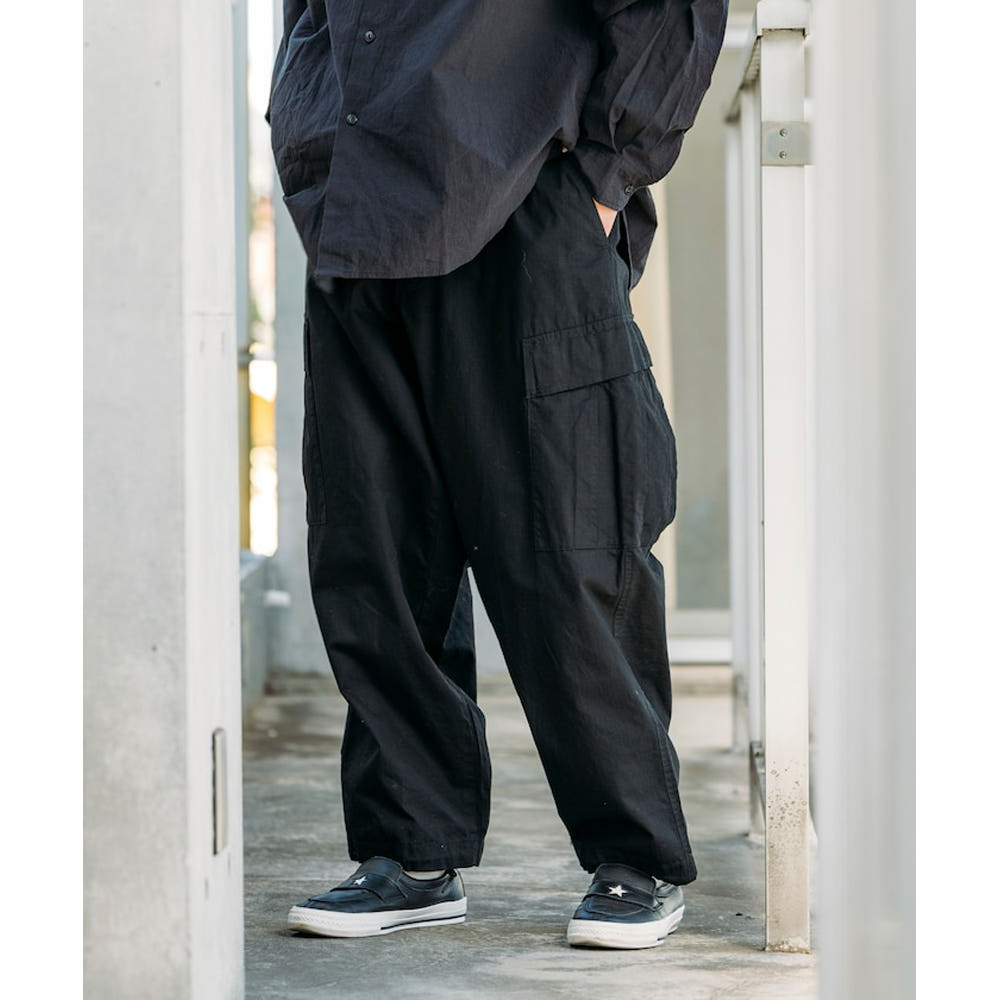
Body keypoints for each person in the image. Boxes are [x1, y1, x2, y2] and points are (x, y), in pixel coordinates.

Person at [267, 0, 728, 950]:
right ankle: (409, 848)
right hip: (359, 210)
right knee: (376, 552)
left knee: (571, 539)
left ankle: (632, 854)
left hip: (526, 194)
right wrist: (307, 134)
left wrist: (604, 177)